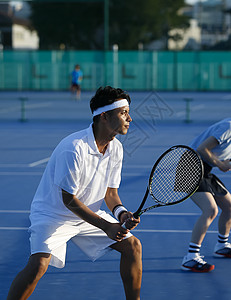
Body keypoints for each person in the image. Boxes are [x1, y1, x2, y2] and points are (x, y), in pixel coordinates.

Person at [7, 86, 142, 300]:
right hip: (53, 215)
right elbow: (68, 200)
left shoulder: (116, 148)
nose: (130, 119)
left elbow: (110, 193)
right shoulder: (74, 148)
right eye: (124, 112)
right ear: (105, 116)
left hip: (88, 215)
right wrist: (107, 226)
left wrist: (121, 214)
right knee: (39, 265)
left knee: (133, 246)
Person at [181, 118, 231, 273]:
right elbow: (203, 149)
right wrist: (221, 164)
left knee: (229, 207)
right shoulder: (228, 127)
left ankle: (222, 246)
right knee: (210, 210)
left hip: (205, 169)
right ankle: (190, 258)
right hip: (190, 165)